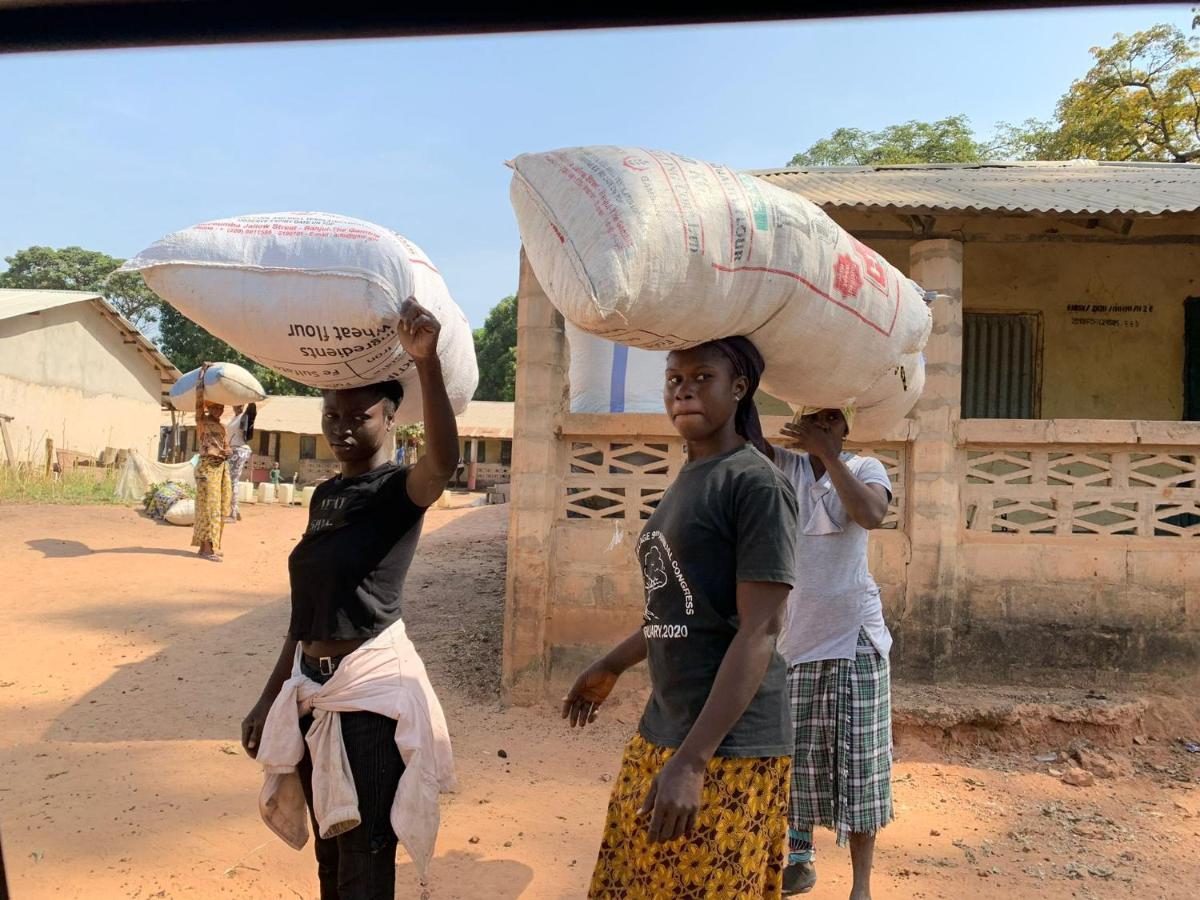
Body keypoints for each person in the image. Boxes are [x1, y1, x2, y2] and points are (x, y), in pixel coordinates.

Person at [563, 336, 799, 899]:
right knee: (631, 882)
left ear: (739, 389)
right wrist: (610, 664)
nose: (684, 388)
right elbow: (680, 611)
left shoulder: (756, 484)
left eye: (702, 377)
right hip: (665, 725)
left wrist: (694, 761)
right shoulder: (689, 479)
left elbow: (760, 629)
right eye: (674, 378)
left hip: (728, 745)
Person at [240, 298, 459, 900]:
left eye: (355, 414)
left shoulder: (398, 489)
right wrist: (270, 698)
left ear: (390, 419)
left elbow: (445, 463)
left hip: (367, 702)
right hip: (312, 691)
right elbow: (303, 614)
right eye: (329, 414)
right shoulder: (325, 495)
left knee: (363, 863)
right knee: (332, 865)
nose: (339, 426)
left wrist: (428, 362)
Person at [766, 408, 894, 899]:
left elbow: (872, 515)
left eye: (831, 419)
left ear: (846, 428)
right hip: (796, 638)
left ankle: (860, 888)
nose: (821, 425)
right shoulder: (787, 467)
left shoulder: (866, 468)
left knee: (859, 769)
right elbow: (741, 436)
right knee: (795, 759)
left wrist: (829, 456)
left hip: (854, 639)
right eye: (811, 417)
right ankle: (799, 858)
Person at [193, 366, 232, 562]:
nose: (219, 410)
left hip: (221, 468)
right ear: (209, 407)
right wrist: (201, 378)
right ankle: (207, 548)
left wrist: (227, 451)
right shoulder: (201, 420)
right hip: (207, 467)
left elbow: (228, 448)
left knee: (220, 506)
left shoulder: (223, 427)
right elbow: (198, 400)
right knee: (208, 507)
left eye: (221, 408)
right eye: (216, 407)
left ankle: (209, 545)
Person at [226, 402, 257, 522]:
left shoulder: (244, 417)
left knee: (232, 481)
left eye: (240, 404)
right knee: (231, 481)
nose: (237, 406)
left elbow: (253, 410)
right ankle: (235, 510)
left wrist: (250, 400)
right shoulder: (233, 418)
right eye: (236, 404)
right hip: (232, 450)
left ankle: (232, 514)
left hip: (239, 450)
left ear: (244, 405)